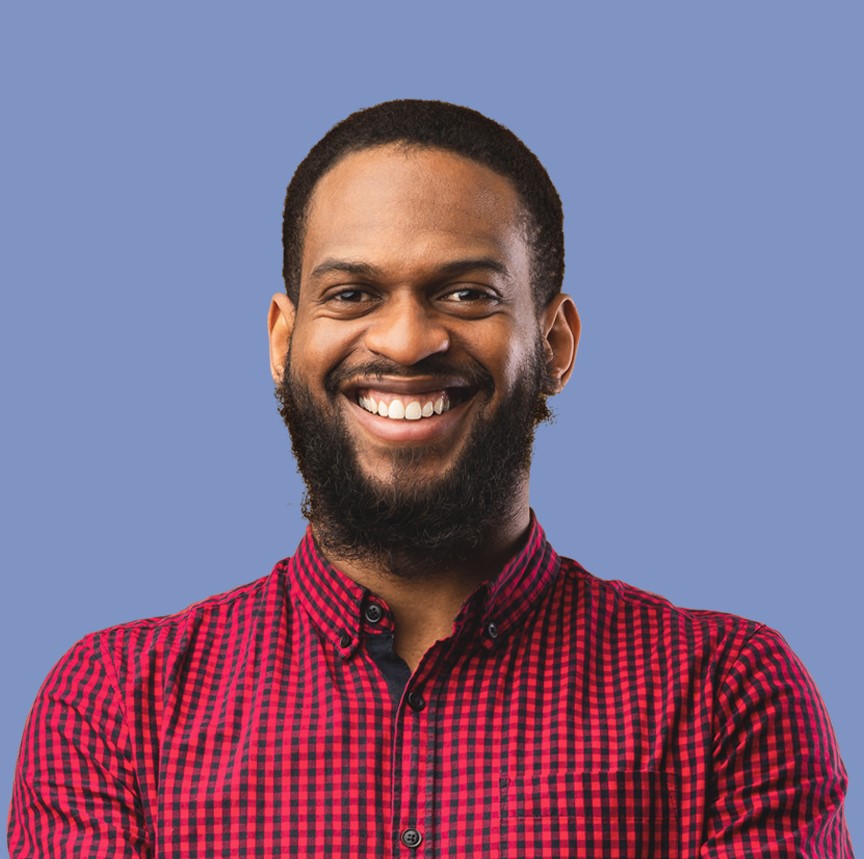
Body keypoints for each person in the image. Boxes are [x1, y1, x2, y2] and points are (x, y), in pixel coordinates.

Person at [8, 100, 852, 857]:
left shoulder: (727, 694)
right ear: (282, 338)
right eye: (351, 294)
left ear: (553, 344)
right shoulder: (117, 703)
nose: (407, 341)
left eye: (467, 294)